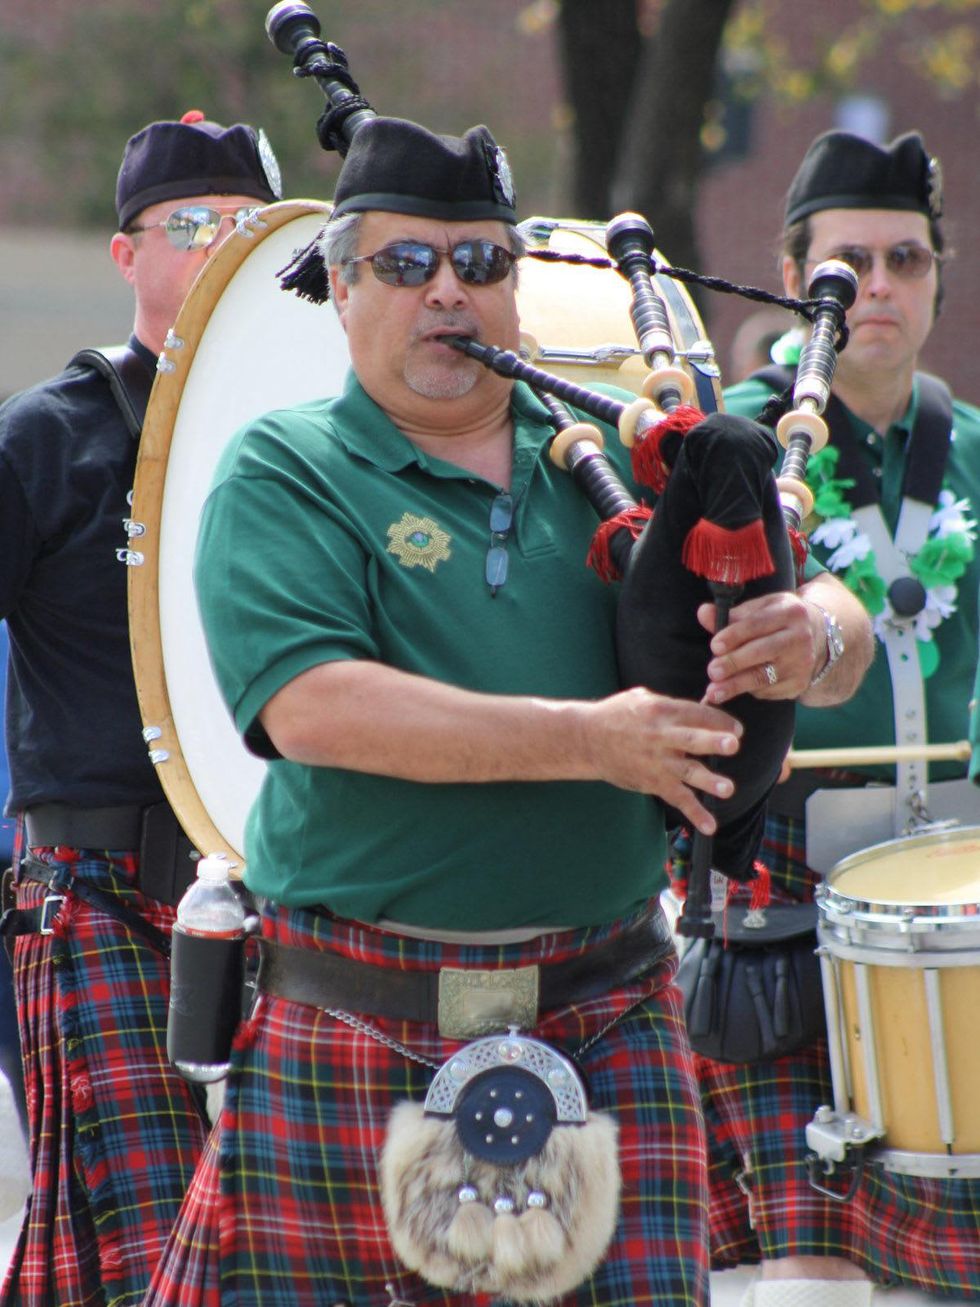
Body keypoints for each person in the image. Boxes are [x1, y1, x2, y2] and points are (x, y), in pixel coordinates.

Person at [142, 115, 869, 1307]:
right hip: (357, 1022)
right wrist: (590, 740)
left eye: (478, 264)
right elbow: (316, 706)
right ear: (337, 285)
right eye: (405, 264)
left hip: (606, 1016)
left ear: (514, 289)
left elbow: (818, 595)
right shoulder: (288, 466)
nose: (447, 294)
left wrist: (811, 633)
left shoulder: (621, 448)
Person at [0, 110, 283, 1306]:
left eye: (243, 228)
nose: (217, 247)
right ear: (127, 254)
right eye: (188, 226)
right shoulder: (44, 440)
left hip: (289, 889)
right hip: (104, 894)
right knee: (151, 1262)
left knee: (280, 1250)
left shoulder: (316, 440)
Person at [696, 129, 980, 1304]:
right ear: (792, 277)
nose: (875, 286)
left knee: (944, 1260)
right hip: (781, 882)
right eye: (846, 262)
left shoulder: (967, 446)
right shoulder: (737, 451)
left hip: (954, 880)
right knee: (803, 1272)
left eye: (904, 260)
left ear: (935, 279)